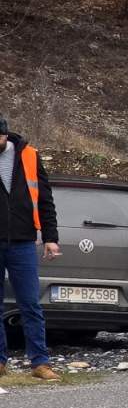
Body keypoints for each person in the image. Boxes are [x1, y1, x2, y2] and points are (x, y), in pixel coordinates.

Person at [0, 115, 61, 382]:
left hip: (23, 241)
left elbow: (45, 199)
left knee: (30, 304)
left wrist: (50, 237)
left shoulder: (29, 156)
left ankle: (40, 362)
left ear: (5, 135)